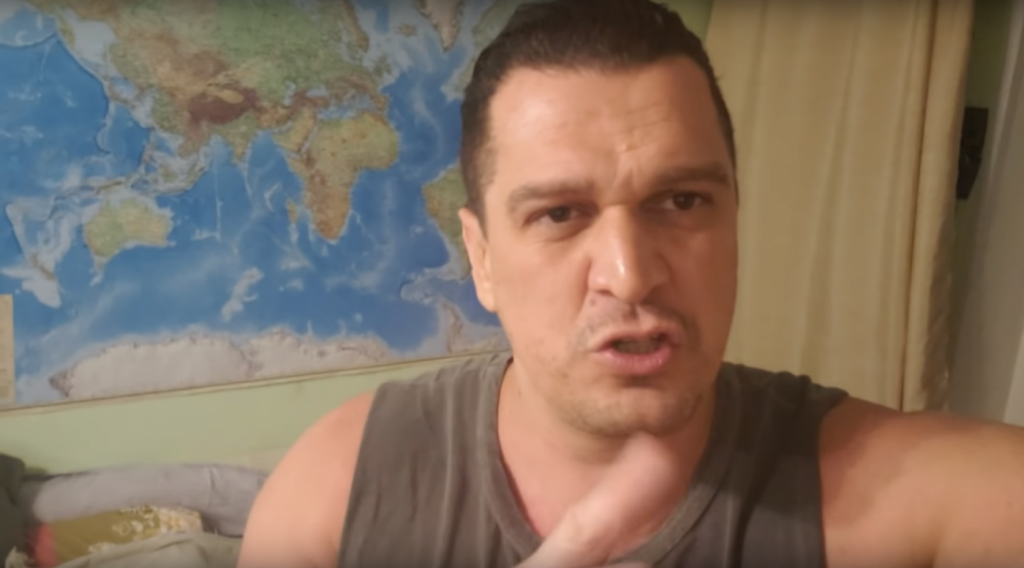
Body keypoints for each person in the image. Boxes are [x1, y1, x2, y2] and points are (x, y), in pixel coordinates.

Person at [238, 1, 1024, 567]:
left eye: (682, 202)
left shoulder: (877, 494)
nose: (632, 273)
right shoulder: (337, 495)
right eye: (559, 214)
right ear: (482, 258)